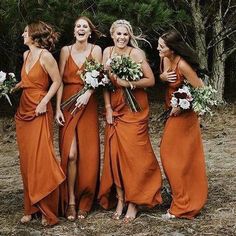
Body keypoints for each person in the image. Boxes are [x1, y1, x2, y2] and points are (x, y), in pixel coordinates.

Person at [98, 19, 162, 223]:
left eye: (125, 34)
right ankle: (120, 198)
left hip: (135, 109)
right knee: (115, 155)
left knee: (134, 155)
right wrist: (107, 108)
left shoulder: (135, 53)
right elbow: (104, 83)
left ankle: (134, 201)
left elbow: (150, 80)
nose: (122, 38)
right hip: (115, 107)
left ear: (130, 36)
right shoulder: (107, 53)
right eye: (118, 34)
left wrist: (129, 83)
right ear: (112, 34)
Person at [15, 21, 65, 226]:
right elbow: (29, 80)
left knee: (41, 159)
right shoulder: (26, 55)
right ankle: (31, 206)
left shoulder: (45, 56)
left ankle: (48, 209)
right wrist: (16, 85)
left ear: (34, 35)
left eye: (25, 31)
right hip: (23, 110)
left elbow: (57, 81)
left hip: (40, 109)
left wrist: (45, 102)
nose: (22, 34)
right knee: (27, 159)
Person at [157, 30, 208, 219]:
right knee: (170, 154)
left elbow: (201, 90)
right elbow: (163, 75)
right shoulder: (164, 58)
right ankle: (180, 196)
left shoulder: (184, 65)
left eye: (161, 46)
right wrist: (162, 78)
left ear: (172, 48)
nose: (158, 48)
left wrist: (181, 104)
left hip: (185, 115)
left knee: (174, 155)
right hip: (172, 112)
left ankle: (183, 204)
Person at [55, 16, 102, 221]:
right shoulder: (65, 51)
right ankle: (71, 201)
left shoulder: (96, 50)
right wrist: (57, 108)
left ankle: (85, 201)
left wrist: (88, 93)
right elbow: (59, 81)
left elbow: (99, 76)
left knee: (88, 154)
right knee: (71, 154)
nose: (81, 29)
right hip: (67, 104)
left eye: (85, 26)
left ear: (89, 32)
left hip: (87, 104)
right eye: (78, 26)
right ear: (74, 31)